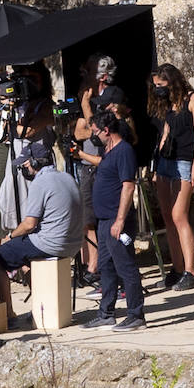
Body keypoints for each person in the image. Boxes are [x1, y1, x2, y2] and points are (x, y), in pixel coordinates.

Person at [0, 141, 84, 322]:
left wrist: (10, 236)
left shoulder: (41, 183)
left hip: (51, 243)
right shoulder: (67, 177)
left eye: (26, 164)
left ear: (35, 163)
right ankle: (41, 304)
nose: (24, 168)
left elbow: (29, 224)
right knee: (23, 257)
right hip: (74, 244)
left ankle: (8, 315)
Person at [81, 111, 146, 331]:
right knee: (106, 267)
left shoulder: (124, 151)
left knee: (125, 266)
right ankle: (106, 313)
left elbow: (128, 186)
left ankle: (136, 315)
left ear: (106, 131)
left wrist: (119, 220)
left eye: (96, 132)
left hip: (118, 222)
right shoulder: (108, 151)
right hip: (104, 221)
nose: (94, 136)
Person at [71, 55, 129, 284]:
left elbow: (98, 132)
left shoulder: (112, 95)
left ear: (103, 76)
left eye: (90, 72)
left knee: (102, 219)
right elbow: (79, 131)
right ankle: (92, 264)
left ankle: (98, 267)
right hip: (87, 166)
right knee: (86, 218)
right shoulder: (93, 98)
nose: (84, 76)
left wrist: (86, 109)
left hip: (101, 166)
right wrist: (87, 125)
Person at [149, 64, 194, 291]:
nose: (158, 90)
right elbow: (166, 132)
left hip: (184, 161)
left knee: (179, 214)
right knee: (166, 215)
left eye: (161, 85)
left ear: (171, 81)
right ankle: (177, 268)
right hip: (166, 161)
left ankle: (191, 271)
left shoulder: (193, 99)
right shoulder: (168, 104)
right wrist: (155, 165)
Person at [0, 63, 56, 240]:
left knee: (33, 206)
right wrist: (2, 91)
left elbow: (27, 130)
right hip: (16, 161)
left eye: (33, 78)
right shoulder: (18, 104)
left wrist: (12, 117)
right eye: (25, 79)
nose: (30, 84)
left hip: (37, 163)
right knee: (11, 197)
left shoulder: (46, 105)